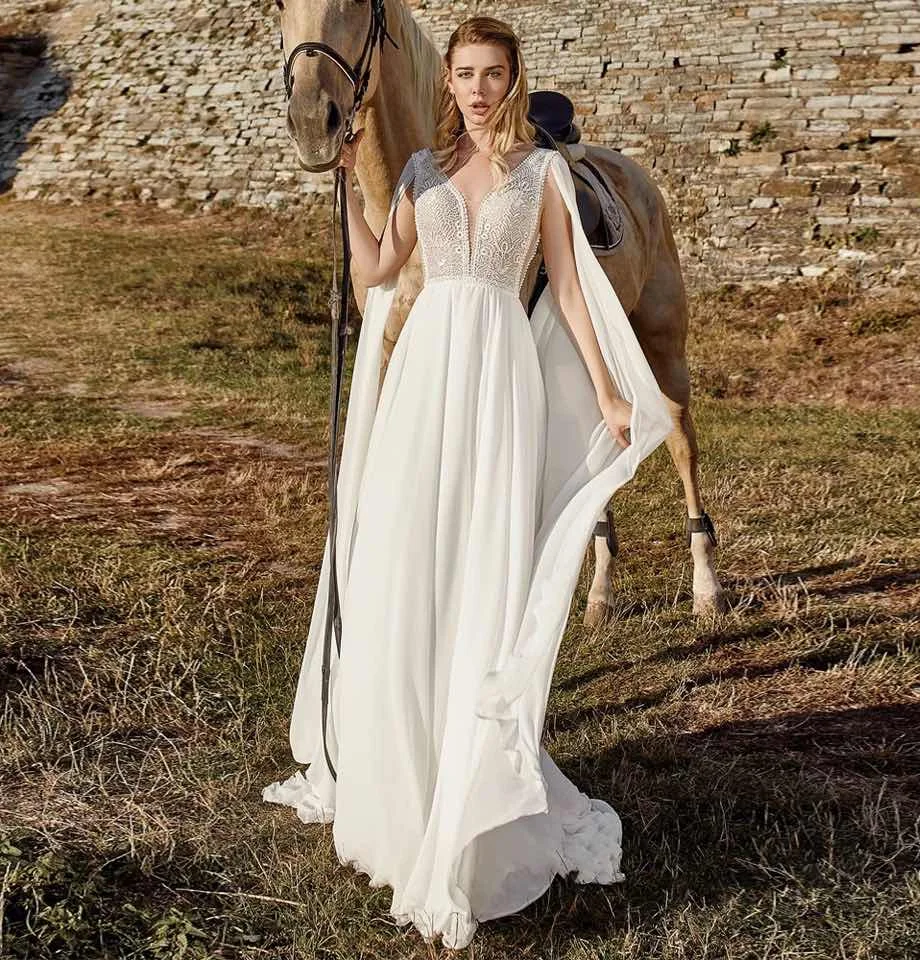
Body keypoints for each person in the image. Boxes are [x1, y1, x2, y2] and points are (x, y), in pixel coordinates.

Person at [263, 15, 673, 950]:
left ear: (513, 80)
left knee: (480, 574)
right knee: (412, 568)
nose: (479, 89)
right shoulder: (420, 176)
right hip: (424, 390)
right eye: (465, 74)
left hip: (497, 387)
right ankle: (401, 780)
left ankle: (472, 786)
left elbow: (570, 292)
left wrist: (610, 393)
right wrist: (345, 194)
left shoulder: (542, 176)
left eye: (494, 74)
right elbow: (377, 272)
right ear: (445, 82)